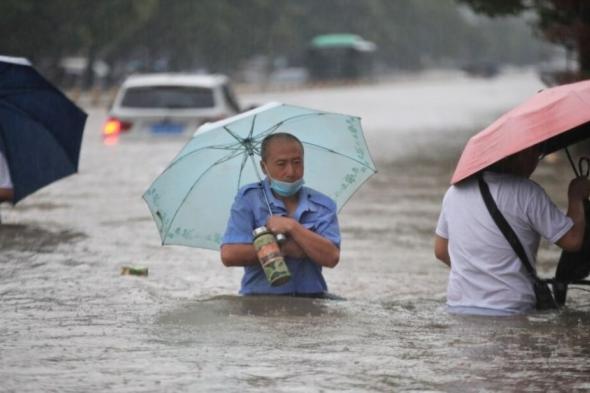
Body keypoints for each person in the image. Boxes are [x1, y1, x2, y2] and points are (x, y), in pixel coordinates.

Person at [434, 145, 590, 316]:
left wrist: (479, 271)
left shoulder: (454, 192)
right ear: (517, 156)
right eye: (533, 155)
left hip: (458, 308)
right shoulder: (528, 192)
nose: (534, 162)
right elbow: (572, 240)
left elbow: (441, 251)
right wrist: (576, 197)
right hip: (510, 309)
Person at [220, 132, 341, 297]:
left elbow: (331, 257)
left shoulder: (323, 205)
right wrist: (283, 249)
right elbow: (229, 255)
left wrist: (292, 227)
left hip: (312, 300)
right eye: (281, 164)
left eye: (297, 162)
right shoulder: (249, 199)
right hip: (259, 300)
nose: (291, 171)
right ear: (264, 167)